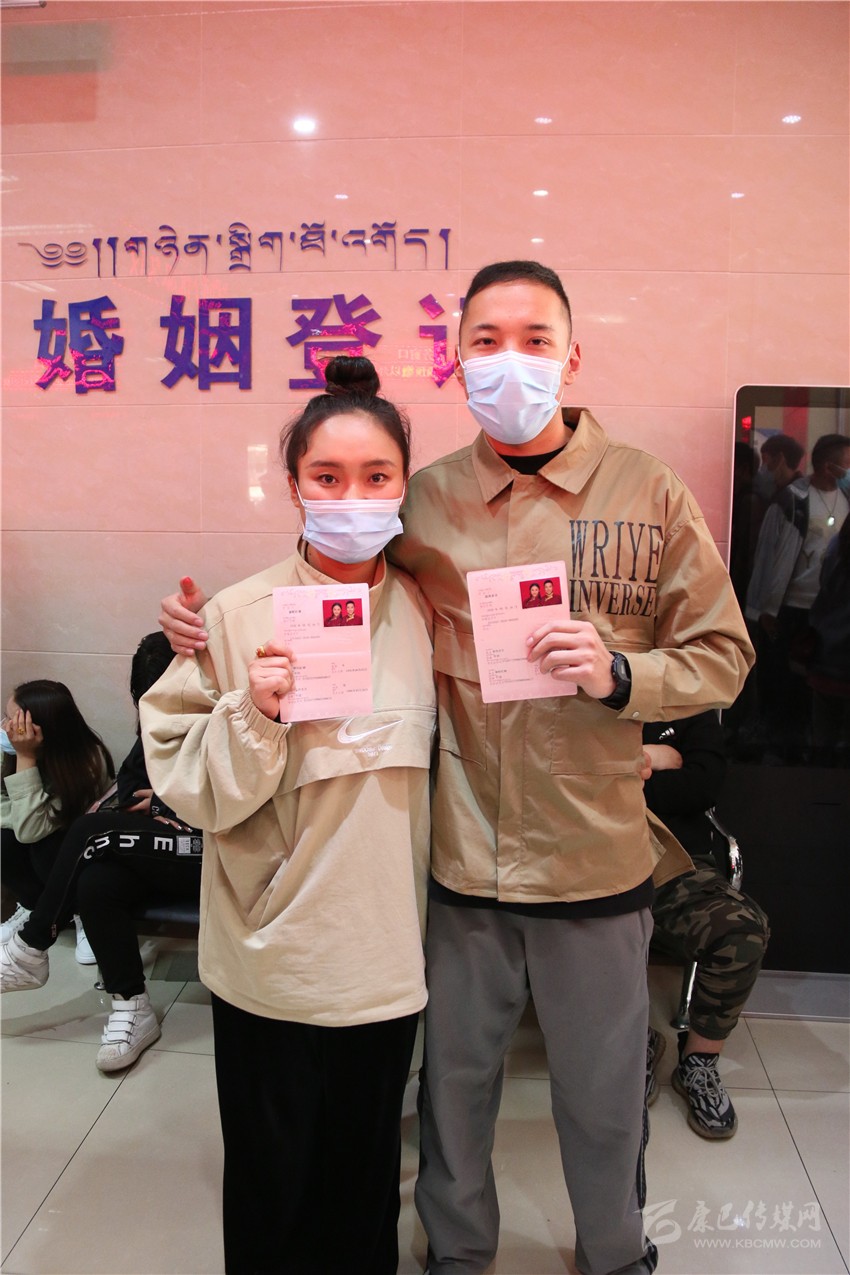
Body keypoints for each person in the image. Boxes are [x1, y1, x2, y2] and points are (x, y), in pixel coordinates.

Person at [158, 262, 753, 1275]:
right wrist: (204, 624)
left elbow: (724, 655)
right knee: (453, 1095)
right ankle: (455, 1255)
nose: (509, 360)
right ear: (456, 355)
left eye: (534, 338)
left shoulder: (647, 491)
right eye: (486, 340)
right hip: (459, 863)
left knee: (604, 1093)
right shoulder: (425, 498)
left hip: (593, 857)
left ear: (573, 353)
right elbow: (333, 565)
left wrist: (623, 673)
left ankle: (616, 1252)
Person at [142, 356, 436, 1275]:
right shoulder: (236, 616)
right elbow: (184, 782)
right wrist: (255, 714)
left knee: (364, 1186)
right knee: (273, 1190)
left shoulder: (430, 614)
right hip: (270, 959)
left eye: (377, 476)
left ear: (405, 484)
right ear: (294, 484)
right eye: (328, 477)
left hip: (382, 960)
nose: (353, 498)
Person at [0, 634, 204, 1073]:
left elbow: (241, 800)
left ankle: (31, 946)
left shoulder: (229, 724)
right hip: (160, 848)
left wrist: (165, 801)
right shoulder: (154, 729)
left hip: (212, 854)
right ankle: (131, 1005)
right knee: (98, 881)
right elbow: (130, 788)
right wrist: (158, 802)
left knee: (91, 831)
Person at [642, 711, 769, 1139]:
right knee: (578, 930)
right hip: (590, 860)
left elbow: (701, 787)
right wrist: (654, 758)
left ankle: (698, 1062)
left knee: (742, 930)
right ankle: (633, 1045)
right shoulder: (578, 699)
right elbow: (567, 783)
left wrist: (618, 775)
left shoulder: (687, 708)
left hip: (678, 865)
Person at [746, 432, 850, 760]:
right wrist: (766, 608)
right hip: (792, 607)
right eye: (847, 464)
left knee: (818, 689)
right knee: (785, 682)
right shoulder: (792, 500)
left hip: (828, 609)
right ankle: (782, 751)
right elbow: (769, 558)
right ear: (829, 466)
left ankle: (812, 751)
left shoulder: (846, 498)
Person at [2, 681, 113, 959]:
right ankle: (34, 907)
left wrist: (25, 756)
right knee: (4, 840)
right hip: (33, 834)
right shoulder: (7, 750)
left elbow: (30, 830)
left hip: (74, 852)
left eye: (14, 722)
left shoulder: (85, 762)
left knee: (47, 844)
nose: (6, 728)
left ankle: (82, 914)